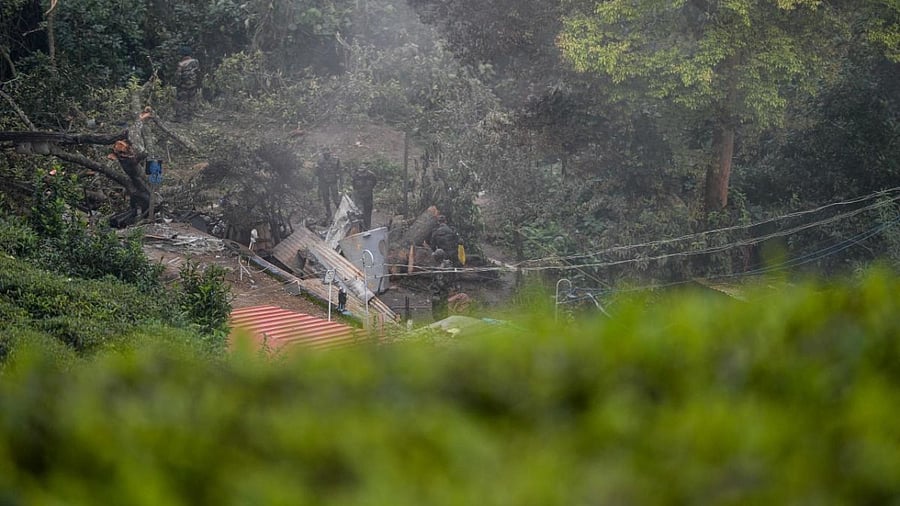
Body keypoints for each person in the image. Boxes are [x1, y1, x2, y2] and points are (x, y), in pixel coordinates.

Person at [174, 46, 200, 122]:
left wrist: (177, 84)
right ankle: (190, 117)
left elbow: (177, 76)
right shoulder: (196, 62)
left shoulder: (181, 64)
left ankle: (179, 118)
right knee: (191, 100)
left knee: (180, 101)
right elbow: (198, 72)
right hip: (193, 84)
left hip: (183, 86)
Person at [316, 147, 341, 219]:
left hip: (333, 181)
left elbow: (340, 170)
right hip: (324, 182)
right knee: (325, 198)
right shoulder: (320, 160)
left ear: (330, 152)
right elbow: (317, 173)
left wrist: (341, 181)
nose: (326, 153)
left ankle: (340, 212)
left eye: (327, 152)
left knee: (336, 198)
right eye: (324, 152)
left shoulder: (336, 159)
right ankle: (328, 214)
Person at [429, 249, 453, 321]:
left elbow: (441, 281)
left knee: (439, 310)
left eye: (435, 257)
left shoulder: (445, 266)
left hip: (440, 292)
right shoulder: (439, 265)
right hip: (440, 292)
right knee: (439, 309)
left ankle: (441, 322)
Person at [351, 162, 378, 230]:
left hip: (368, 197)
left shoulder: (371, 175)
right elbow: (354, 185)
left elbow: (374, 182)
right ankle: (360, 228)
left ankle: (367, 227)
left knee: (368, 212)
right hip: (359, 197)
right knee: (360, 212)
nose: (361, 174)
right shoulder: (355, 175)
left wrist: (368, 189)